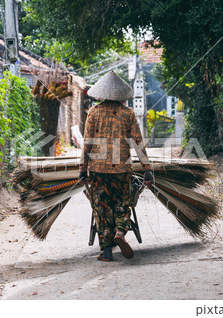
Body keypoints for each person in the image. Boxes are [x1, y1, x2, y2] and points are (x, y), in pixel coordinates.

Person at [79, 71, 153, 262]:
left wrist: (82, 169)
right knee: (123, 204)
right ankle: (120, 232)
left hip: (97, 169)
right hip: (122, 169)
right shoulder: (128, 114)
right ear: (121, 94)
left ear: (101, 93)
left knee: (102, 208)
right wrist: (147, 168)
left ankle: (107, 251)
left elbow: (87, 143)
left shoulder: (93, 112)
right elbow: (138, 142)